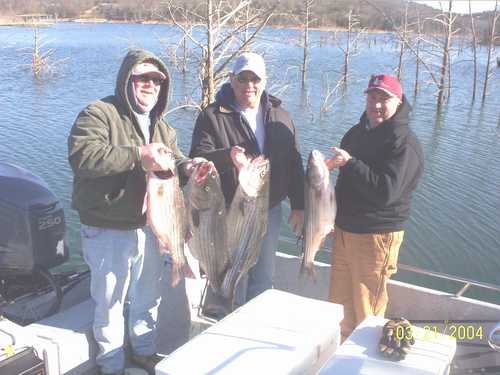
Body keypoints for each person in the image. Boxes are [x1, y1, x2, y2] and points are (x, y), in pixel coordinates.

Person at [68, 49, 202, 375]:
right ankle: (111, 365)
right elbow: (83, 156)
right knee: (110, 304)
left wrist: (190, 167)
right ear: (127, 79)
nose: (150, 85)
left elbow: (176, 159)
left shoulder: (162, 127)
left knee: (147, 296)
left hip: (151, 227)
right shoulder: (99, 113)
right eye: (143, 77)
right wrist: (138, 155)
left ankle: (144, 352)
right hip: (108, 226)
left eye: (157, 80)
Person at [190, 52, 305, 307]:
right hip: (229, 211)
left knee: (262, 276)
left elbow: (295, 163)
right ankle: (224, 317)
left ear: (264, 81)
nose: (249, 85)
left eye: (255, 79)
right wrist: (227, 157)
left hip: (270, 209)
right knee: (229, 275)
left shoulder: (281, 115)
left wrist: (299, 205)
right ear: (232, 80)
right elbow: (198, 158)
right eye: (243, 78)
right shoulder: (213, 115)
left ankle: (253, 323)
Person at [325, 74, 424, 341]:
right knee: (339, 309)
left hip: (376, 237)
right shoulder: (356, 133)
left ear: (399, 101)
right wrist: (331, 217)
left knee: (366, 313)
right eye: (373, 97)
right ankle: (338, 362)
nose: (377, 104)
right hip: (345, 232)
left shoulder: (404, 144)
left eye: (385, 98)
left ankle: (361, 366)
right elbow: (345, 183)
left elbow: (386, 193)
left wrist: (351, 163)